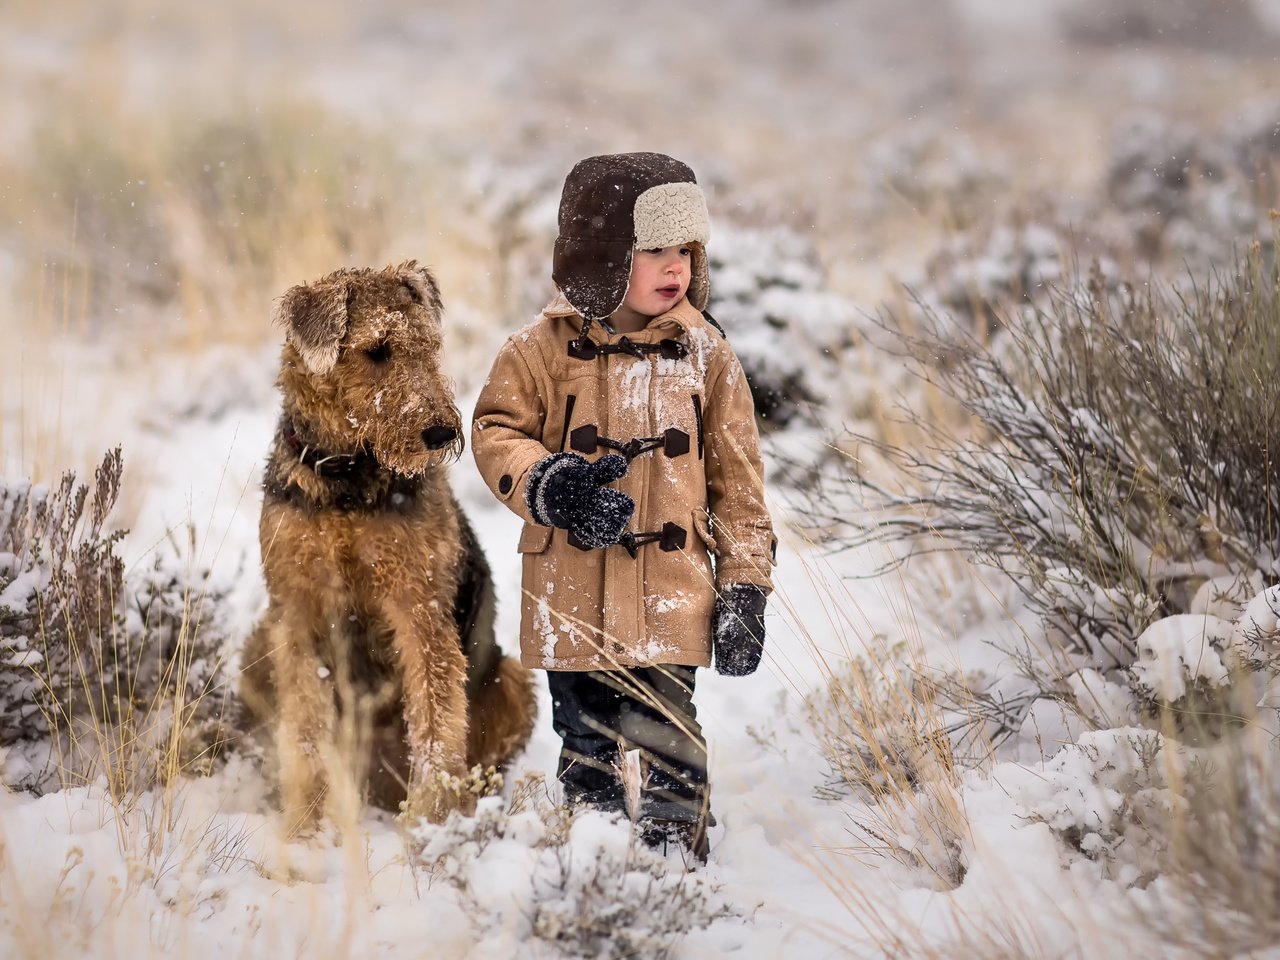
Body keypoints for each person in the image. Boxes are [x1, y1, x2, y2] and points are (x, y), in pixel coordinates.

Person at [471, 152, 776, 862]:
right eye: (653, 250)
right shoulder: (538, 352)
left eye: (685, 250)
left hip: (670, 594)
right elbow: (493, 432)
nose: (676, 268)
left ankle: (675, 857)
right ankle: (597, 853)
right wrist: (550, 483)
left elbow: (740, 486)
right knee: (586, 739)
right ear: (602, 256)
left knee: (668, 730)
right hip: (570, 591)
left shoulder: (707, 356)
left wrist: (746, 587)